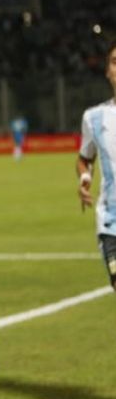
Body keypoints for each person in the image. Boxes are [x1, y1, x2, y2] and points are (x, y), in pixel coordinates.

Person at [77, 41, 116, 291]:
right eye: (114, 62)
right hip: (112, 222)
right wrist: (84, 180)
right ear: (107, 72)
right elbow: (84, 158)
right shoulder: (94, 118)